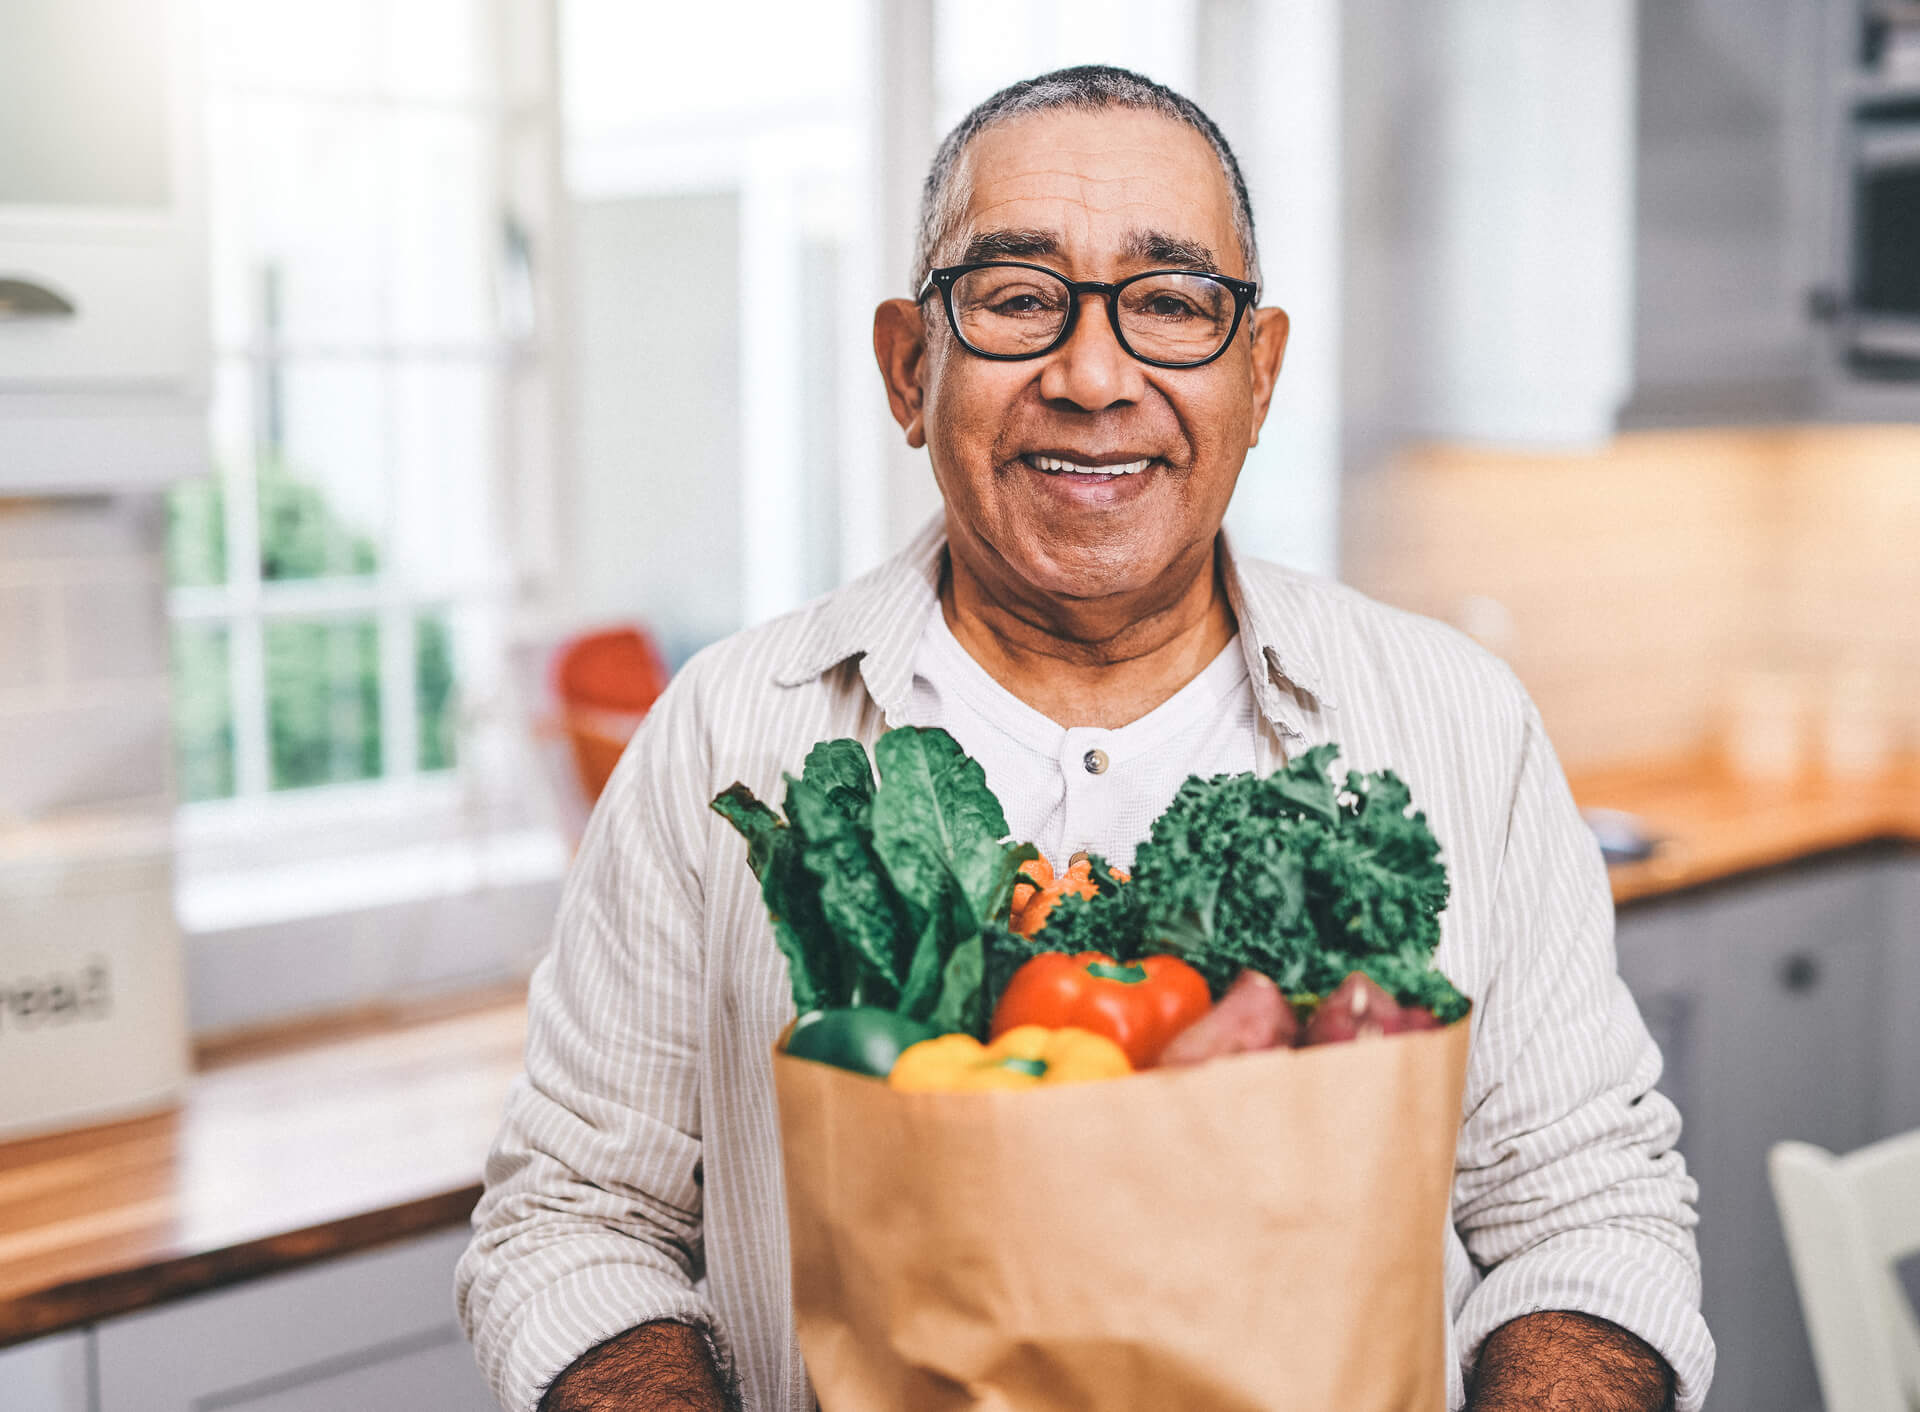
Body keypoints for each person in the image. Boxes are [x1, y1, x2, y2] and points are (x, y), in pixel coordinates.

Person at [458, 65, 1714, 1412]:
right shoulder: (726, 736)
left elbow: (1585, 1214)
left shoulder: (1457, 722)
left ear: (1260, 369)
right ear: (907, 366)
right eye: (1014, 300)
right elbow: (574, 1224)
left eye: (1170, 303)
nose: (1094, 375)